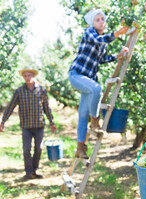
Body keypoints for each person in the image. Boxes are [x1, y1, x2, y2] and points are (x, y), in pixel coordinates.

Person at [68, 9, 129, 159]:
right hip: (77, 75)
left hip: (87, 80)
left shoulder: (102, 41)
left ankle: (80, 148)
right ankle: (95, 120)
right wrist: (118, 33)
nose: (101, 22)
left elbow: (101, 59)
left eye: (103, 19)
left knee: (82, 115)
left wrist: (117, 56)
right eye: (98, 20)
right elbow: (100, 40)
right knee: (97, 89)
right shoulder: (89, 32)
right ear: (92, 23)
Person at [0, 67, 57, 180]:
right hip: (26, 126)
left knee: (38, 149)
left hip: (39, 125)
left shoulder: (41, 90)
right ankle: (28, 172)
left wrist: (52, 122)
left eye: (29, 75)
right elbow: (11, 106)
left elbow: (46, 107)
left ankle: (34, 170)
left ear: (33, 76)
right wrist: (3, 121)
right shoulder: (19, 91)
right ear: (23, 77)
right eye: (25, 76)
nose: (27, 77)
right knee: (26, 149)